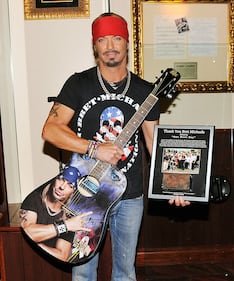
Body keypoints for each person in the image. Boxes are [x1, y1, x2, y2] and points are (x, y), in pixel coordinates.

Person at [42, 12, 190, 281]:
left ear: (127, 43)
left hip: (130, 195)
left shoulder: (147, 91)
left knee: (125, 272)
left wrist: (174, 184)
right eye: (103, 39)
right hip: (84, 194)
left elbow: (153, 142)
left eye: (117, 38)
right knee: (83, 270)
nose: (110, 45)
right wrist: (94, 148)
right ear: (94, 45)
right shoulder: (78, 84)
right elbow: (50, 130)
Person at [19, 165, 92, 262]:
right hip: (25, 259)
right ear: (55, 179)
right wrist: (65, 225)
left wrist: (36, 245)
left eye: (70, 185)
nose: (62, 187)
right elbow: (27, 233)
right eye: (61, 179)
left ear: (73, 192)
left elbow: (62, 256)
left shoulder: (70, 217)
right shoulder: (34, 199)